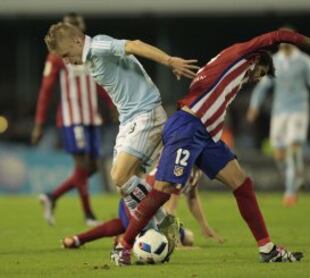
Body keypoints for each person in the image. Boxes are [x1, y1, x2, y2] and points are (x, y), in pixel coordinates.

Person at [111, 29, 310, 265]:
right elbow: (281, 34)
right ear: (257, 59)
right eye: (261, 73)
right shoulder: (242, 54)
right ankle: (123, 246)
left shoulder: (232, 71)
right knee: (162, 191)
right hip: (187, 127)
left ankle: (268, 249)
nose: (257, 78)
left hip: (206, 136)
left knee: (242, 185)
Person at [43, 23, 198, 228]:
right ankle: (157, 228)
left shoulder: (99, 46)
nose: (67, 62)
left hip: (145, 113)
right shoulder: (89, 58)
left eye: (66, 54)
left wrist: (169, 61)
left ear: (77, 41)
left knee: (119, 175)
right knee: (125, 185)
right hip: (129, 120)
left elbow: (134, 45)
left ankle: (160, 226)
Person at [33, 13, 114, 226]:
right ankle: (88, 215)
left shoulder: (90, 51)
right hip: (71, 118)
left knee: (92, 168)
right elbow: (46, 90)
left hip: (92, 118)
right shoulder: (57, 56)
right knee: (83, 164)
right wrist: (39, 123)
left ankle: (52, 197)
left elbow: (99, 82)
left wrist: (112, 104)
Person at [246, 27, 310, 207]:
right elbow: (263, 86)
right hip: (279, 112)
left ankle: (290, 191)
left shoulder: (305, 61)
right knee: (279, 155)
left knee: (293, 147)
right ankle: (298, 173)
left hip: (299, 110)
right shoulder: (275, 61)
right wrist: (254, 106)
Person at [62, 168, 223, 250]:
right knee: (155, 238)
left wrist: (204, 225)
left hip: (150, 214)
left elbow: (192, 196)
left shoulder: (193, 169)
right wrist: (175, 244)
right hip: (137, 207)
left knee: (188, 237)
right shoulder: (178, 168)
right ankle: (128, 238)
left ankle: (77, 239)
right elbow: (168, 210)